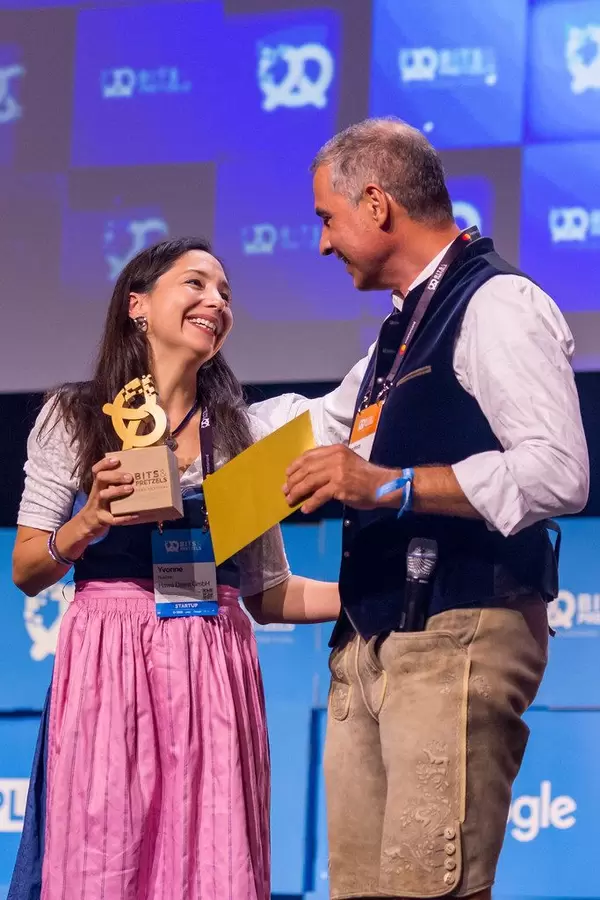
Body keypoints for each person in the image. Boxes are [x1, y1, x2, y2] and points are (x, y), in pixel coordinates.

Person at [250, 118, 589, 900]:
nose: (321, 244)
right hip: (372, 646)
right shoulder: (401, 333)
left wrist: (393, 485)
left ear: (376, 205)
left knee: (427, 889)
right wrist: (188, 425)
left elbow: (558, 472)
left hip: (455, 634)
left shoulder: (497, 304)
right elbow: (320, 426)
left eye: (326, 219)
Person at [9, 237, 340, 900]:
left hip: (211, 664)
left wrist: (373, 593)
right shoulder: (75, 415)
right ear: (137, 304)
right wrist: (89, 521)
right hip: (109, 660)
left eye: (225, 294)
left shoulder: (241, 435)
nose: (216, 301)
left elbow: (269, 593)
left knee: (211, 864)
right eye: (196, 283)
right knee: (107, 859)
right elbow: (27, 567)